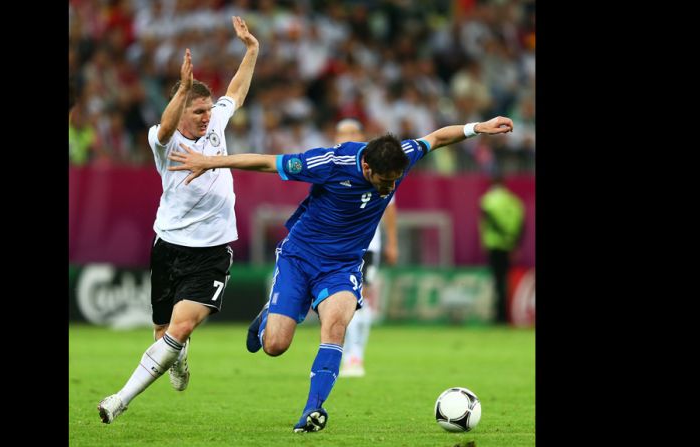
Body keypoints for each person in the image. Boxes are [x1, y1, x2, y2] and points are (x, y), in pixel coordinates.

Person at [169, 116, 514, 432]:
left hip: (343, 265)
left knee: (334, 327)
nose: (387, 189)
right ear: (366, 166)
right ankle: (267, 319)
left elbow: (436, 138)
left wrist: (476, 128)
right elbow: (266, 162)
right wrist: (210, 161)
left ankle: (313, 411)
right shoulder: (330, 163)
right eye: (382, 181)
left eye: (393, 182)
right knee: (275, 346)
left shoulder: (401, 157)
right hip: (300, 258)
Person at [97, 16, 259, 424]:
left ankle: (120, 399)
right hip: (168, 245)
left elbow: (235, 92)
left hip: (212, 249)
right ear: (183, 109)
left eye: (207, 109)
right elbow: (167, 127)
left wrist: (252, 50)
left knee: (180, 329)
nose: (207, 117)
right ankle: (178, 359)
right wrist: (183, 88)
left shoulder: (216, 124)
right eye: (199, 110)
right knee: (164, 335)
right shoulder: (162, 140)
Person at [332, 119, 398, 378]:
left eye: (352, 133)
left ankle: (355, 355)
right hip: (334, 247)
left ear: (361, 136)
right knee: (336, 301)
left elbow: (390, 208)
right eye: (342, 133)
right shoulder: (331, 164)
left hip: (366, 246)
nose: (347, 137)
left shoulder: (379, 166)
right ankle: (341, 352)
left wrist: (392, 241)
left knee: (359, 299)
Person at [478, 171, 525, 324]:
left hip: (495, 244)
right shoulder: (514, 201)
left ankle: (499, 317)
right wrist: (514, 243)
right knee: (505, 280)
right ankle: (506, 315)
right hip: (509, 246)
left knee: (498, 281)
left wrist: (499, 235)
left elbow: (488, 217)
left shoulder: (488, 199)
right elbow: (522, 224)